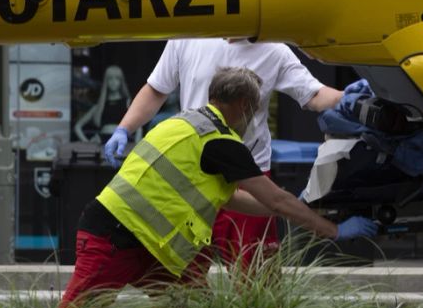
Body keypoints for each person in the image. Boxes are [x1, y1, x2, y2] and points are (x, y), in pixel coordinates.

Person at [57, 66, 376, 308]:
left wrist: (304, 205)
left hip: (146, 244)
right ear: (242, 103)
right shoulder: (221, 141)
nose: (254, 115)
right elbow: (275, 200)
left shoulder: (181, 124)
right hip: (117, 237)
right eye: (255, 106)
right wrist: (333, 231)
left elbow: (234, 198)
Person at [104, 38, 344, 265]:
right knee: (183, 272)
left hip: (247, 173)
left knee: (254, 275)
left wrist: (352, 97)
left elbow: (314, 94)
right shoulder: (188, 37)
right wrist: (124, 128)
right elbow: (157, 88)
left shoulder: (274, 50)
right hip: (194, 175)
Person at [74, 65, 140, 143]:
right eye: (110, 79)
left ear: (121, 81)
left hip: (122, 142)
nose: (113, 82)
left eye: (117, 79)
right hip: (102, 142)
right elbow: (77, 127)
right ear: (106, 81)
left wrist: (136, 146)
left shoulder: (127, 102)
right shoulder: (100, 105)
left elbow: (139, 126)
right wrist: (87, 143)